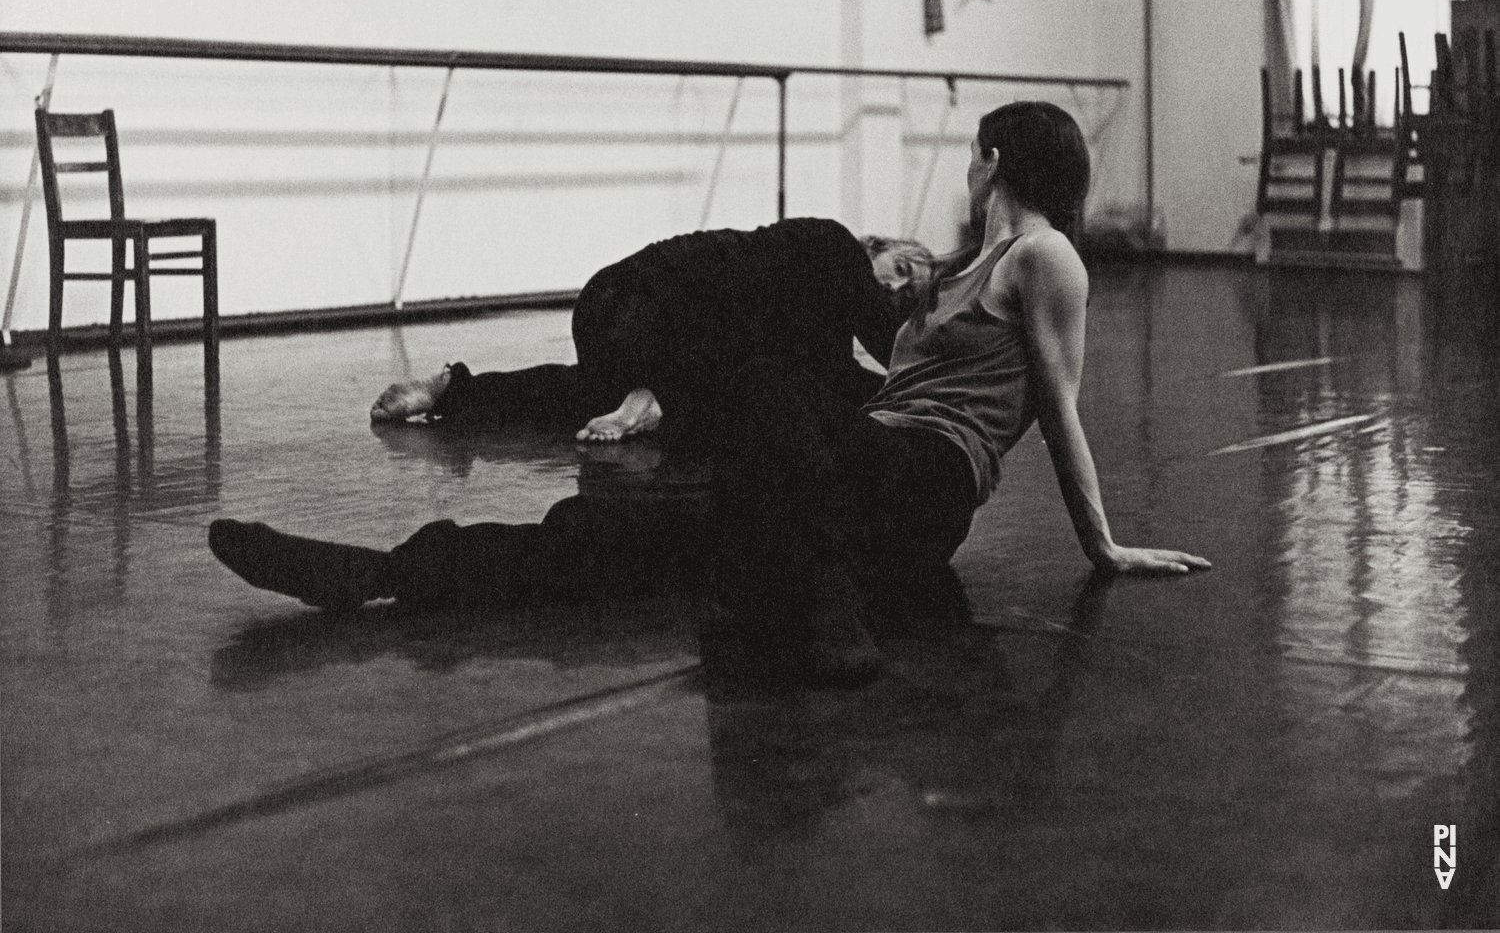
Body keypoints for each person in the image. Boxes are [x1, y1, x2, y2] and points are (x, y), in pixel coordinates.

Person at [208, 101, 1210, 687]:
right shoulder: (957, 265)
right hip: (847, 476)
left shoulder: (1045, 256)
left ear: (993, 159)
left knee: (771, 380)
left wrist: (1104, 546)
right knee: (604, 539)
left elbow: (1059, 408)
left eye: (973, 154)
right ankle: (380, 571)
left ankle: (818, 609)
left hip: (923, 481)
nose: (967, 167)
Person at [369, 220, 936, 442]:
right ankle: (655, 402)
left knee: (582, 392)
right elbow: (882, 355)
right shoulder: (833, 246)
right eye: (901, 269)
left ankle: (454, 389)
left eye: (906, 295)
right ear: (877, 246)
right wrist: (944, 393)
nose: (893, 288)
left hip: (605, 313)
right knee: (764, 382)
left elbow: (840, 377)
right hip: (649, 308)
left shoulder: (811, 321)